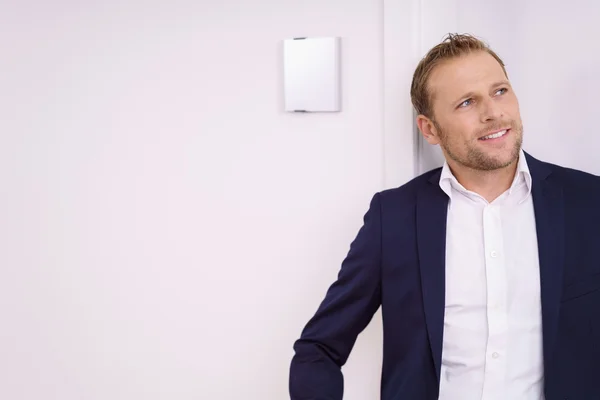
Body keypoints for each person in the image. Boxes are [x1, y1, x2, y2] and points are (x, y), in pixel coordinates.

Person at [289, 33, 600, 400]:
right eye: (467, 102)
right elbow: (318, 350)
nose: (492, 113)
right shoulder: (395, 218)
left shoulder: (588, 202)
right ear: (430, 129)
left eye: (500, 91)